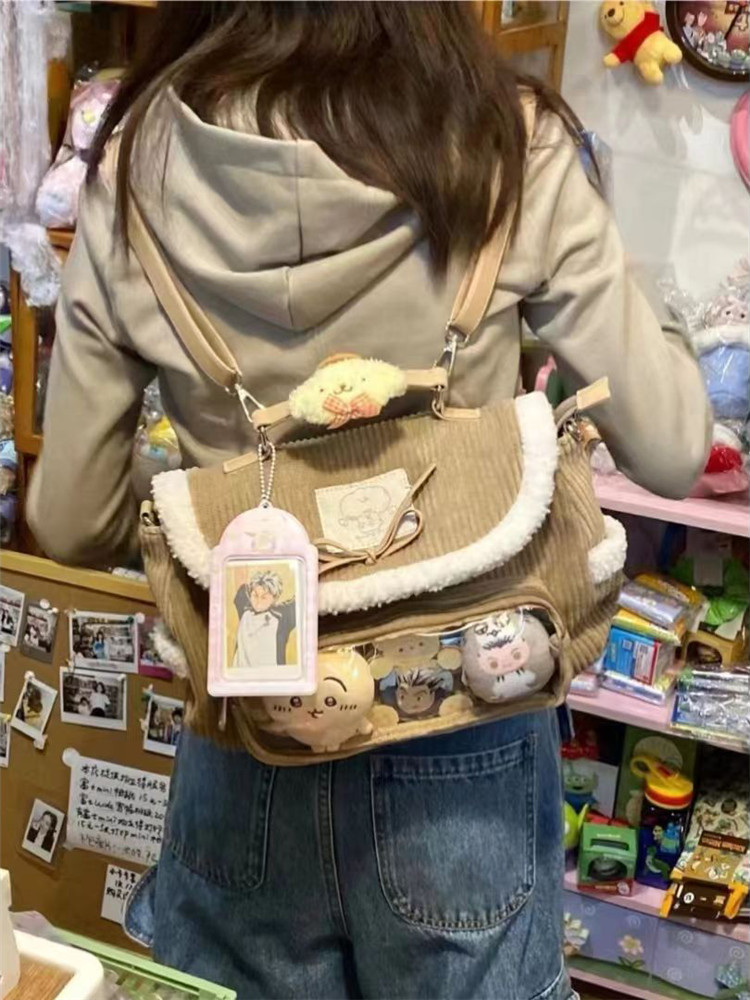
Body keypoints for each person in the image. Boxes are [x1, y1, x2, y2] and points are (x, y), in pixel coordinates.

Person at [27, 4, 711, 998]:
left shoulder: (138, 161)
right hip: (470, 716)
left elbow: (70, 519)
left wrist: (216, 497)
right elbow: (675, 445)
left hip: (251, 726)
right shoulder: (505, 139)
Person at [232, 572, 296, 671]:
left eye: (264, 597)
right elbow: (242, 587)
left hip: (271, 675)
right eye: (255, 595)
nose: (258, 601)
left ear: (274, 599)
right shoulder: (245, 610)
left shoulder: (281, 617)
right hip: (241, 674)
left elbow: (299, 600)